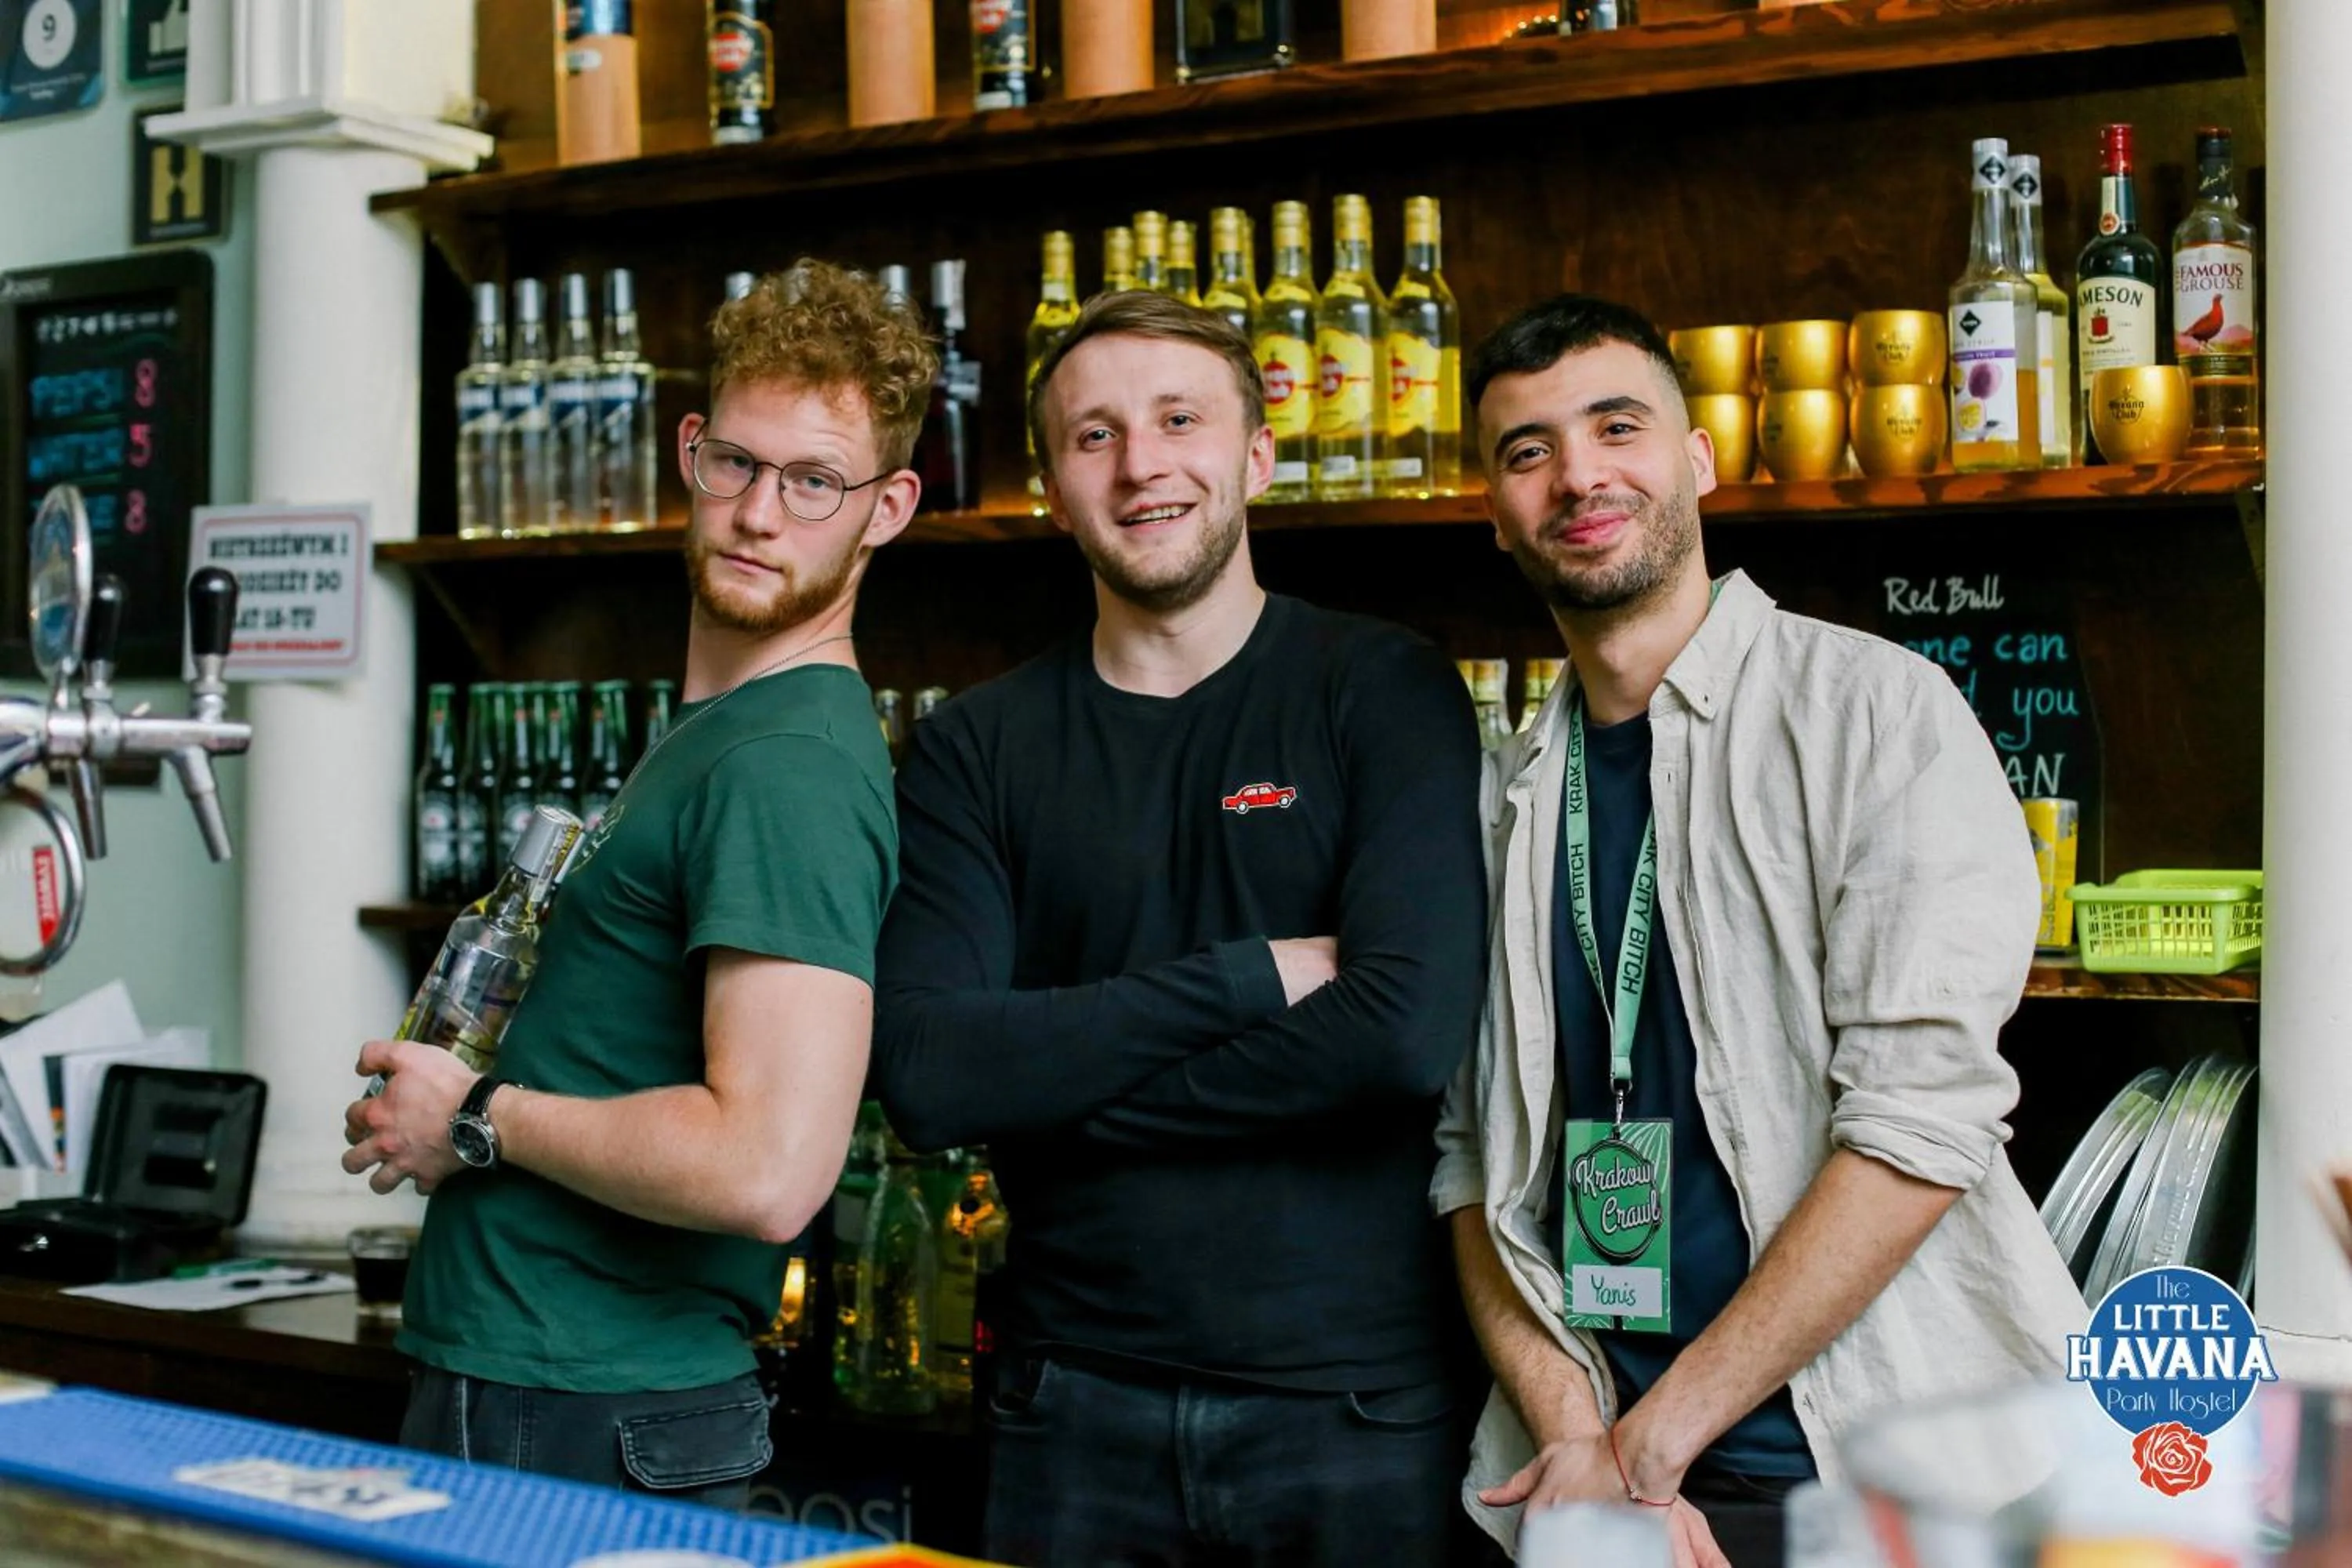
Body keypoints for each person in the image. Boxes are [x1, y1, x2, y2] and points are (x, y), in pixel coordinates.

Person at [1432, 295, 2085, 1567]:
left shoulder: (1878, 715)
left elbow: (1917, 1123)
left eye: (1618, 426)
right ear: (1494, 509)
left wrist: (1651, 1446)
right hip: (1577, 1477)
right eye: (1528, 451)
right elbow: (1472, 1159)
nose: (1578, 476)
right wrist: (1580, 1438)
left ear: (1697, 457)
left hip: (1879, 1471)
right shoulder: (1497, 798)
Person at [869, 291, 1487, 1568]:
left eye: (1178, 419)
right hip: (1069, 1402)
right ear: (1049, 486)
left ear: (1256, 455)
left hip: (1359, 1405)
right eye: (1094, 437)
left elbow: (1402, 1037)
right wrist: (1250, 977)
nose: (1142, 463)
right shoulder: (975, 749)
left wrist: (1048, 1094)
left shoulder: (1381, 687)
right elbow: (928, 1076)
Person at [342, 260, 931, 1507]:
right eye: (738, 464)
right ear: (689, 452)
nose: (762, 513)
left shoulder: (788, 766)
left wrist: (479, 1115)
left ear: (887, 509)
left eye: (815, 481)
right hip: (540, 1389)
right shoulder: (715, 735)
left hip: (590, 1407)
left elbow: (769, 1166)